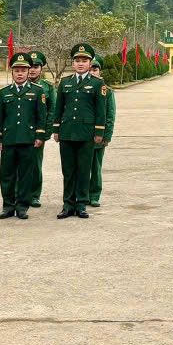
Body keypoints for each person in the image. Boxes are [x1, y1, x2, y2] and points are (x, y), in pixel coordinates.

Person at [51, 42, 109, 219]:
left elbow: (101, 111)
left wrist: (99, 133)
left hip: (86, 134)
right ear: (73, 63)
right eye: (77, 60)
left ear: (90, 63)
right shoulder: (65, 82)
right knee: (68, 171)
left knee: (84, 170)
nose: (80, 63)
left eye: (84, 60)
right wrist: (56, 128)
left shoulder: (98, 84)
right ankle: (68, 204)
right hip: (67, 132)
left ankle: (82, 204)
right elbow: (59, 107)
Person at [0, 52, 48, 219]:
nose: (20, 73)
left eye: (23, 70)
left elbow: (42, 116)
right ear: (12, 72)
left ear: (28, 72)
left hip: (28, 140)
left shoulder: (38, 91)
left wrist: (39, 136)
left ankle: (22, 206)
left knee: (25, 175)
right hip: (9, 139)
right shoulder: (4, 92)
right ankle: (8, 206)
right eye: (17, 70)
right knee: (7, 174)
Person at [24, 50, 56, 208]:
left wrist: (45, 132)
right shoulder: (19, 84)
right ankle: (20, 194)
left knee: (36, 164)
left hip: (38, 132)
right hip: (21, 131)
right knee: (19, 164)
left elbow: (52, 111)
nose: (32, 69)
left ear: (41, 69)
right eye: (30, 66)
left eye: (36, 66)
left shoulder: (48, 87)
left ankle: (35, 195)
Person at [88, 56, 115, 207]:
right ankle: (83, 194)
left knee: (95, 167)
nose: (92, 72)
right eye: (90, 68)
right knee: (82, 167)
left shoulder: (107, 92)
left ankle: (94, 195)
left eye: (95, 69)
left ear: (100, 71)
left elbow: (110, 115)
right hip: (82, 135)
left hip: (98, 137)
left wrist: (107, 136)